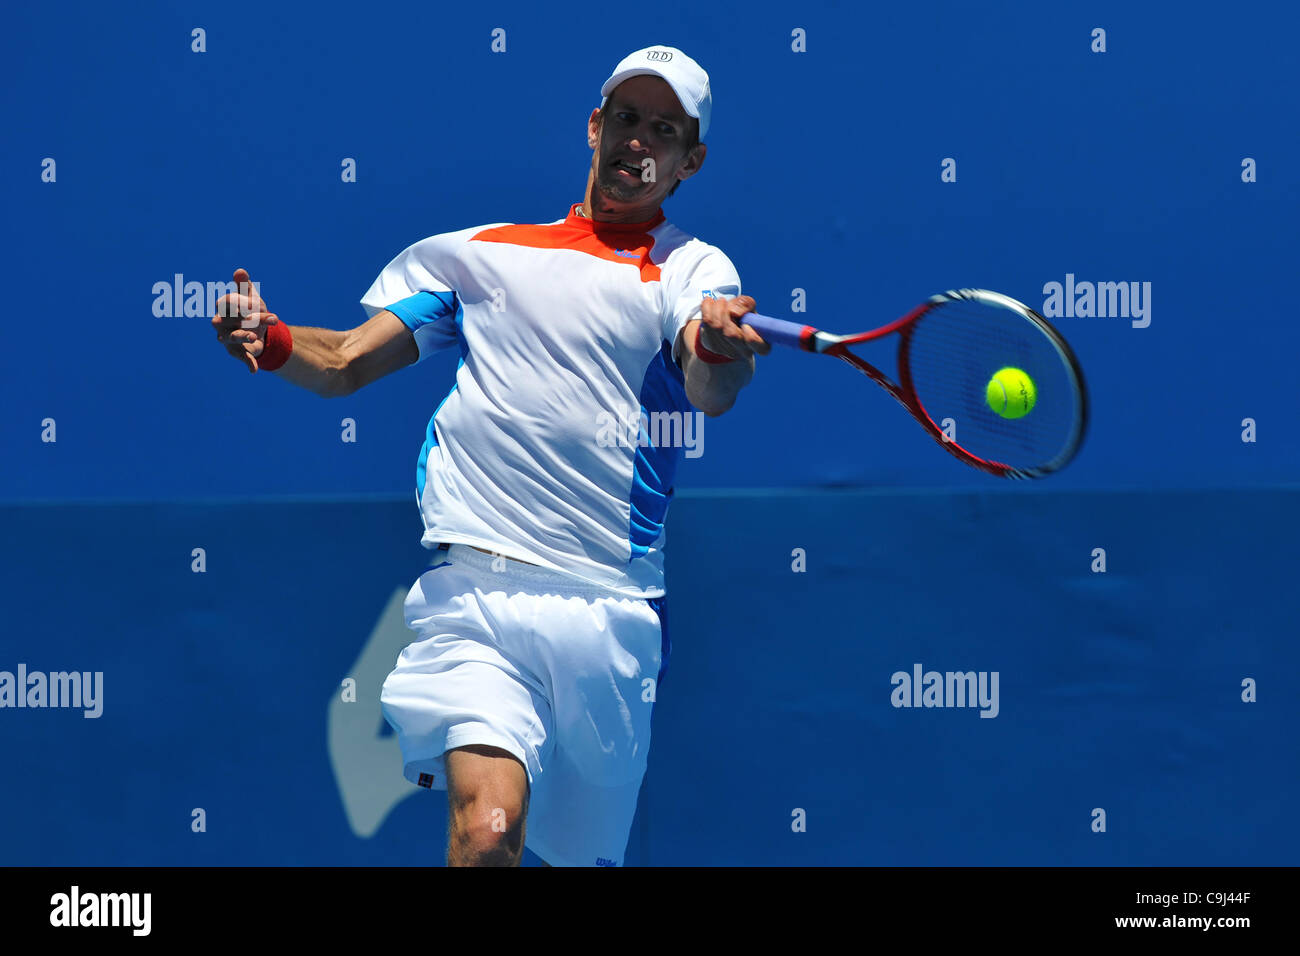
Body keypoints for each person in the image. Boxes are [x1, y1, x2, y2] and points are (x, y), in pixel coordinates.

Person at [211, 45, 769, 866]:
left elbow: (708, 387)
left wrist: (722, 353)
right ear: (594, 127)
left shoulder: (692, 270)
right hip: (474, 597)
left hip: (608, 614)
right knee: (485, 834)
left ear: (692, 160)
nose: (638, 142)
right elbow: (344, 363)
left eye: (664, 130)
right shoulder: (482, 258)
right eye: (626, 119)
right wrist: (274, 341)